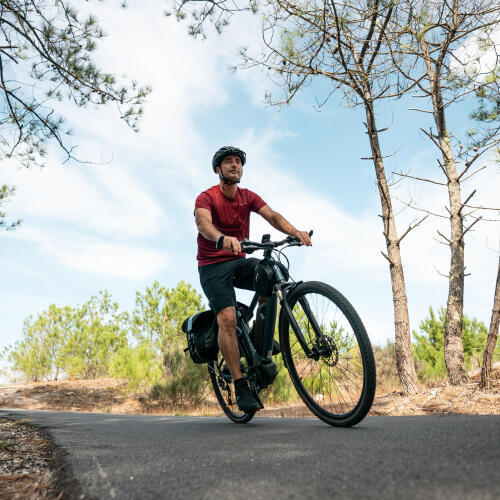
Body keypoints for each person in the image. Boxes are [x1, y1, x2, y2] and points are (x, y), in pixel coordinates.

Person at [194, 146, 311, 412]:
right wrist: (221, 238)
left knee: (271, 273)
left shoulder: (247, 197)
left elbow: (271, 215)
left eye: (238, 162)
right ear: (218, 169)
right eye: (228, 162)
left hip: (238, 260)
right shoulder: (206, 197)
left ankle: (260, 337)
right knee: (227, 318)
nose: (235, 165)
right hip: (212, 266)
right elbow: (204, 224)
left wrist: (295, 231)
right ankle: (240, 384)